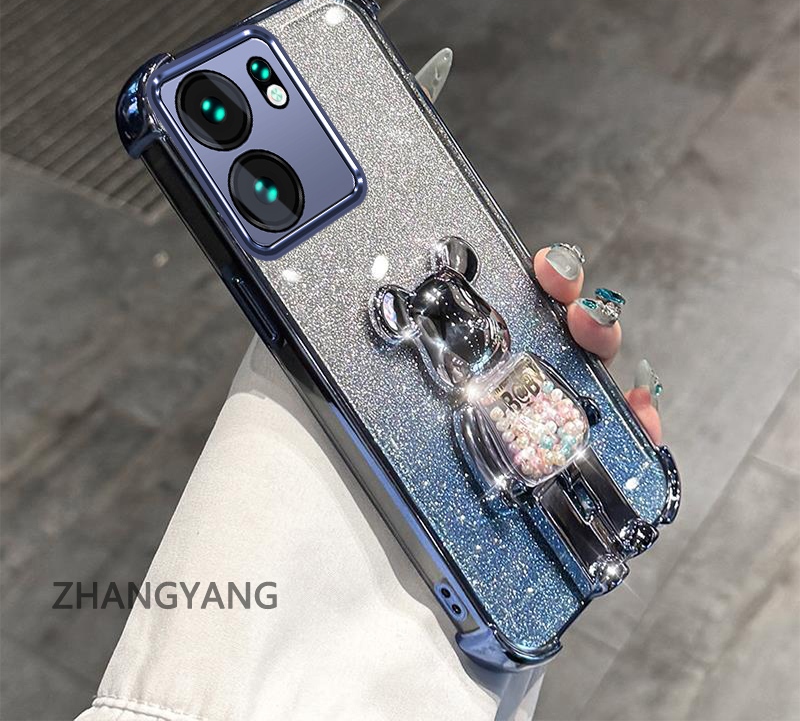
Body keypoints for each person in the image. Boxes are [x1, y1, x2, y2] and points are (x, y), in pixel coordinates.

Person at [76, 51, 662, 721]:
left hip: (521, 396)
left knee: (578, 458)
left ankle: (614, 521)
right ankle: (591, 544)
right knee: (544, 494)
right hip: (490, 423)